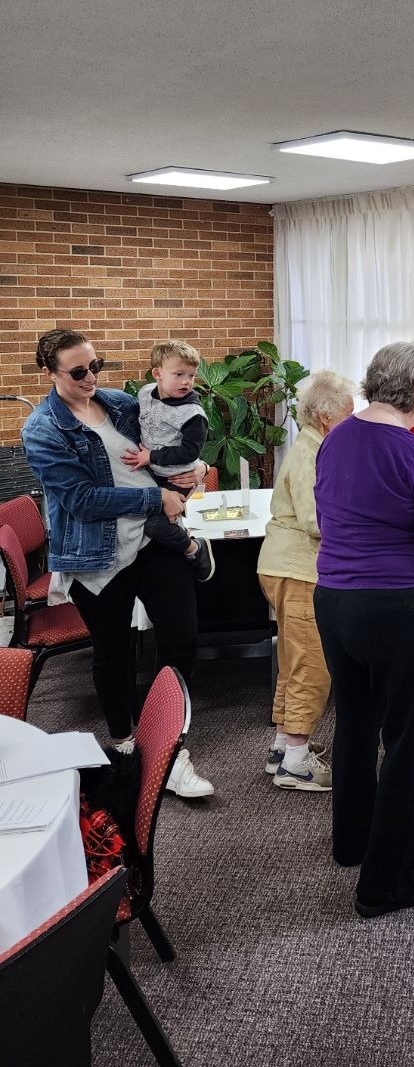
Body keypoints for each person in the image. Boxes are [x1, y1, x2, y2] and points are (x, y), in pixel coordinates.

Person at [314, 342, 414, 918]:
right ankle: (387, 884)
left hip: (334, 601)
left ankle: (352, 842)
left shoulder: (336, 439)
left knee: (356, 721)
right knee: (410, 740)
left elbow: (334, 515)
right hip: (400, 606)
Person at [21, 328, 214, 797]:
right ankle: (126, 745)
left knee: (182, 637)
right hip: (96, 553)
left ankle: (172, 745)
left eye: (96, 365)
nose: (91, 377)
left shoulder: (122, 404)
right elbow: (81, 500)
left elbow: (167, 446)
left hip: (150, 540)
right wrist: (157, 497)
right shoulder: (43, 428)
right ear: (50, 374)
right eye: (78, 371)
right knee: (113, 652)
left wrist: (198, 469)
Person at [258, 368, 355, 791]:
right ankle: (296, 763)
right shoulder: (312, 454)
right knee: (313, 665)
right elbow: (318, 520)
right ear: (324, 416)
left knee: (294, 661)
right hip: (300, 569)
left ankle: (284, 747)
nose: (353, 423)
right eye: (348, 415)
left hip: (287, 565)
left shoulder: (312, 446)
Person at [122, 339, 215, 583]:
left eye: (192, 375)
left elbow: (188, 453)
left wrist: (150, 456)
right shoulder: (144, 393)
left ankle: (194, 549)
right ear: (158, 374)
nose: (186, 382)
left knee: (154, 527)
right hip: (151, 474)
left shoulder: (193, 415)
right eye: (179, 374)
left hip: (178, 477)